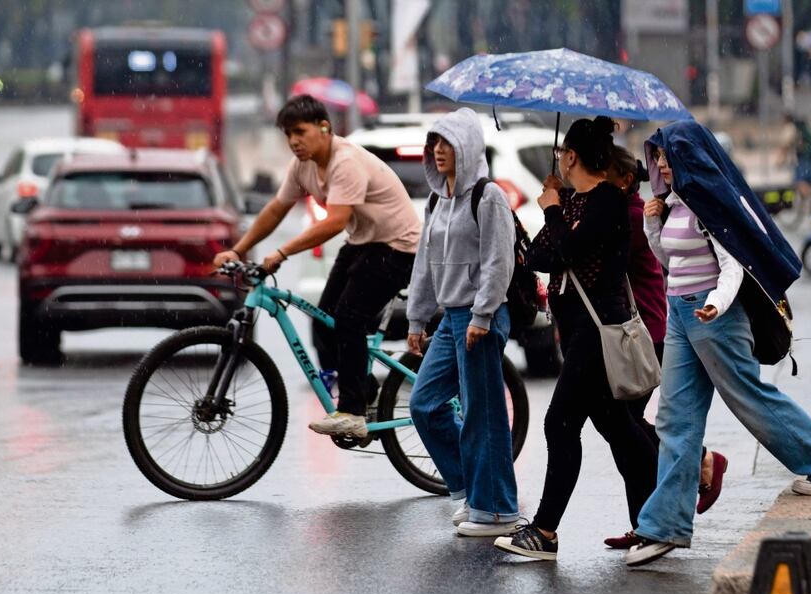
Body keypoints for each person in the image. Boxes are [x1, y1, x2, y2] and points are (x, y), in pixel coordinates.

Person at [625, 121, 811, 568]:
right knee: (675, 418)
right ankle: (664, 526)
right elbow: (666, 260)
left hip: (716, 316)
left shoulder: (710, 204)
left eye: (664, 155)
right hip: (679, 313)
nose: (657, 164)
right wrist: (653, 222)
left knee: (751, 398)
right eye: (655, 156)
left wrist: (714, 305)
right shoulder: (672, 204)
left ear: (686, 157)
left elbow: (734, 267)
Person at [492, 116, 659, 561]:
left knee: (560, 423)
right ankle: (655, 522)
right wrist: (555, 206)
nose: (560, 161)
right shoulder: (577, 202)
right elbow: (541, 257)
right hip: (579, 333)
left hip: (596, 333)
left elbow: (567, 251)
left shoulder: (607, 201)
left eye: (563, 154)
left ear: (572, 156)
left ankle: (545, 531)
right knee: (619, 428)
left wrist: (550, 207)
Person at [213, 95, 420, 438]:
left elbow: (335, 221)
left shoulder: (346, 162)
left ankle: (352, 413)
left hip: (398, 246)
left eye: (300, 132)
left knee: (350, 318)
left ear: (324, 128)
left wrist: (281, 252)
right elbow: (276, 209)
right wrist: (238, 249)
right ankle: (365, 393)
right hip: (363, 242)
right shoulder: (302, 165)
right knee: (325, 321)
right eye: (288, 135)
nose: (294, 141)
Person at [601, 146, 728, 552]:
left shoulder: (632, 216)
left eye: (602, 175)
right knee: (632, 428)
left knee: (636, 427)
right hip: (638, 329)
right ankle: (649, 518)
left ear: (622, 179)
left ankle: (663, 506)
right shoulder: (640, 212)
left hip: (648, 329)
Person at [406, 108, 522, 537]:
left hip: (480, 318)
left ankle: (496, 511)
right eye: (434, 142)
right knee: (424, 404)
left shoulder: (487, 196)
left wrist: (483, 313)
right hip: (449, 317)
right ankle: (468, 490)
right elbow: (424, 262)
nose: (438, 151)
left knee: (483, 414)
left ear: (467, 147)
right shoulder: (437, 200)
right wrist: (416, 317)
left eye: (447, 143)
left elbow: (498, 260)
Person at [778, 113, 811, 202]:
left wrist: (780, 160)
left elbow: (786, 145)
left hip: (804, 159)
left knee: (799, 182)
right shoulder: (804, 128)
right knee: (808, 183)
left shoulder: (791, 128)